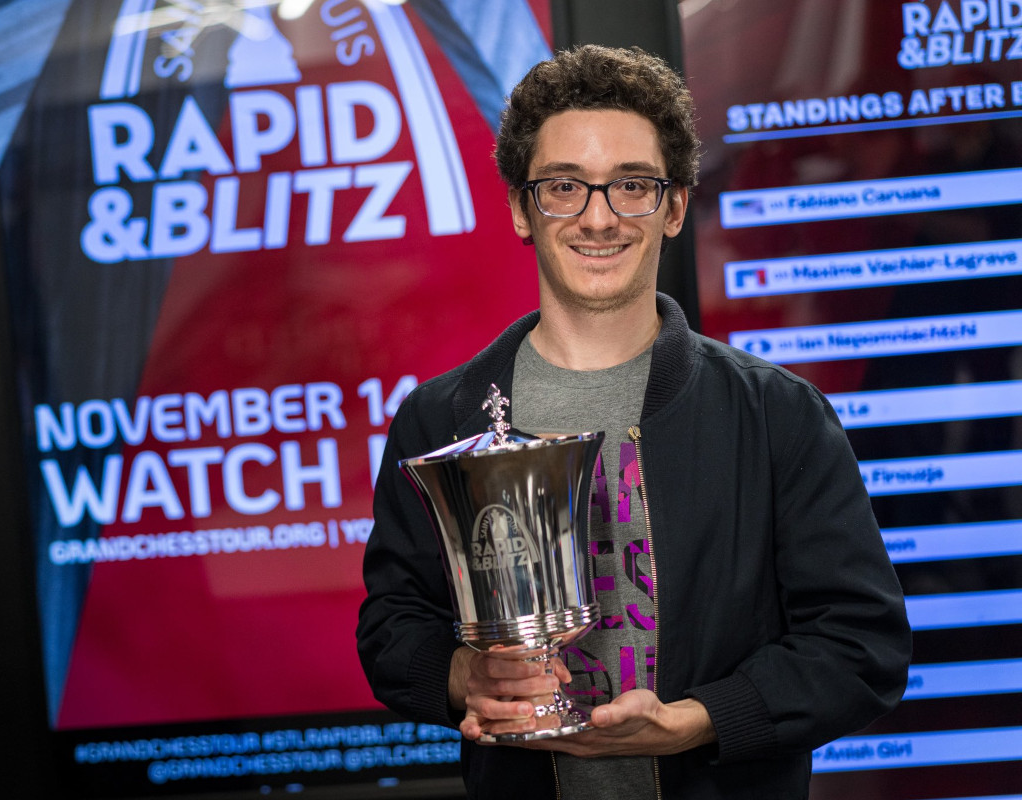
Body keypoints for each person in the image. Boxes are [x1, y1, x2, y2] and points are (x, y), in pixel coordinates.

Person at [355, 44, 911, 799]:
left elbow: (859, 646)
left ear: (674, 207)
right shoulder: (439, 418)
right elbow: (392, 627)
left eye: (632, 186)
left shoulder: (775, 414)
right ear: (521, 209)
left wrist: (699, 721)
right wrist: (463, 675)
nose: (599, 218)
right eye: (564, 187)